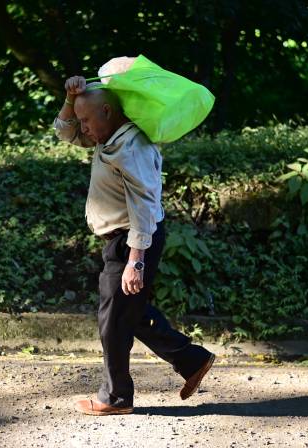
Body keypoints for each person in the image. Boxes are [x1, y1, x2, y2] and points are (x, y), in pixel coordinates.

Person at [53, 75, 215, 416]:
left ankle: (115, 397)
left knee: (112, 320)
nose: (82, 126)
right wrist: (71, 99)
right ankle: (191, 359)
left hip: (132, 240)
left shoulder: (131, 147)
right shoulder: (106, 135)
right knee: (131, 312)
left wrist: (136, 260)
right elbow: (65, 132)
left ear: (108, 111)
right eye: (81, 118)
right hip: (122, 240)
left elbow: (144, 203)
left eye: (86, 119)